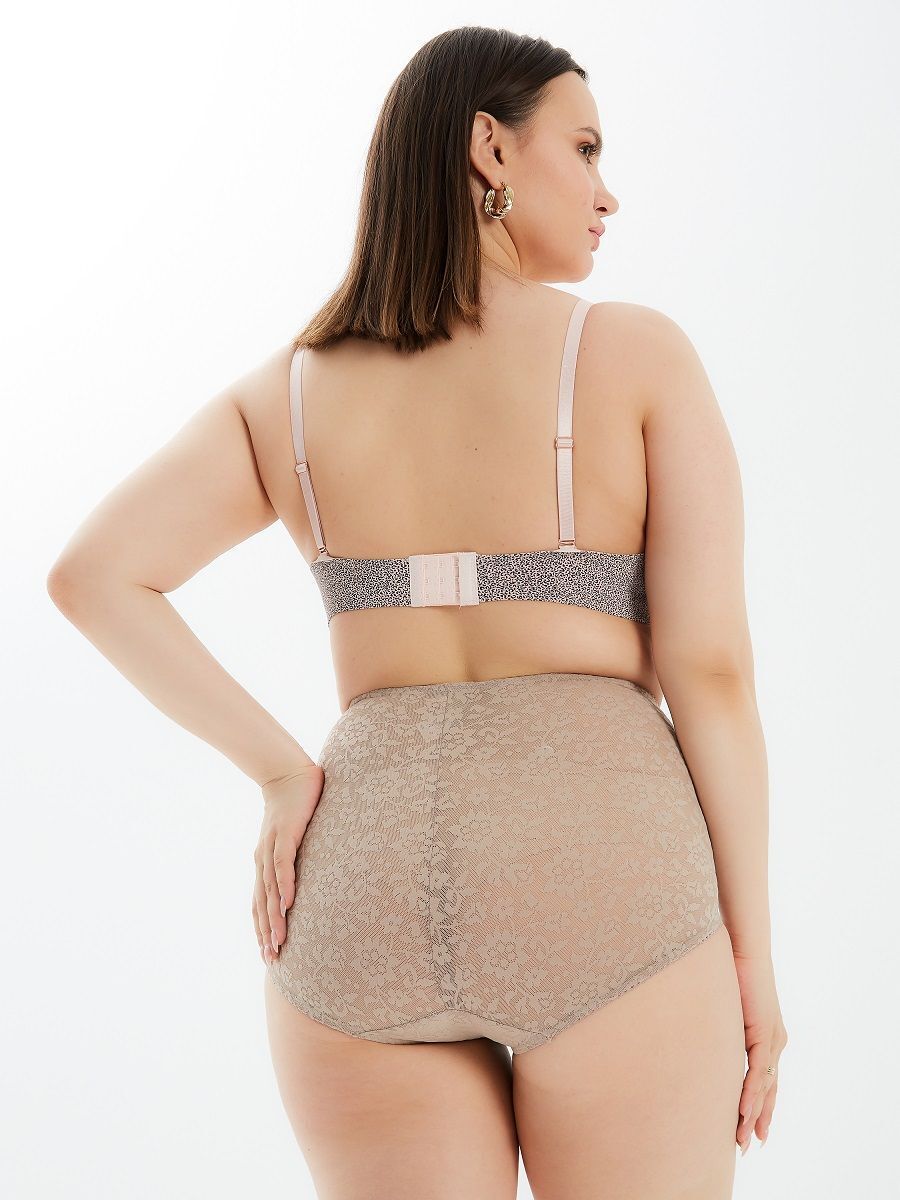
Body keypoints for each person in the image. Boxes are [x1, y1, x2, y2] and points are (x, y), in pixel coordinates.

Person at [47, 25, 787, 1200]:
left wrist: (283, 775)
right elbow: (714, 677)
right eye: (585, 148)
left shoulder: (288, 392)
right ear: (491, 147)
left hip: (361, 891)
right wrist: (753, 961)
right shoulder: (633, 354)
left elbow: (94, 575)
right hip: (600, 876)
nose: (608, 193)